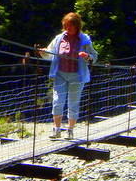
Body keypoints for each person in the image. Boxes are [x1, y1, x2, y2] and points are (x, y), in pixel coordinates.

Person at [39, 12, 98, 140]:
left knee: (73, 103)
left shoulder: (85, 40)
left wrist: (87, 57)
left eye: (70, 26)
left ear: (77, 26)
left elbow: (94, 57)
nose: (67, 28)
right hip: (60, 74)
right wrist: (43, 52)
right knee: (57, 101)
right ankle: (56, 130)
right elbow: (50, 54)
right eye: (65, 25)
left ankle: (70, 130)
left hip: (77, 76)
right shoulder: (59, 38)